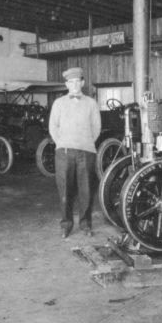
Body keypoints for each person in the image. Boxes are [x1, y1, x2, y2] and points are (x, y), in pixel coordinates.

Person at [48, 67, 102, 238]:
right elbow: (53, 127)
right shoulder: (59, 103)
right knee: (64, 189)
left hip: (86, 152)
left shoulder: (91, 103)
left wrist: (85, 142)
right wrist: (63, 142)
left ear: (83, 83)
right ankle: (66, 225)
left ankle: (85, 224)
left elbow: (97, 128)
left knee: (86, 189)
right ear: (66, 84)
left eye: (77, 81)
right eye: (71, 82)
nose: (74, 85)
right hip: (64, 152)